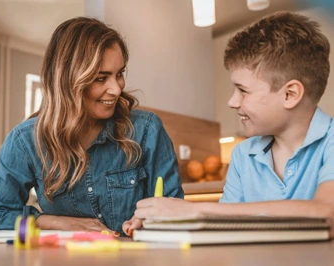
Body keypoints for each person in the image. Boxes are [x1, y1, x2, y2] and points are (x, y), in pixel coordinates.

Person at [126, 12, 334, 237]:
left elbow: (327, 214)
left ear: (290, 94)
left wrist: (194, 209)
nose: (232, 101)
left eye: (243, 90)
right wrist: (163, 221)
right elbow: (224, 226)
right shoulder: (243, 155)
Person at [0, 17, 184, 235]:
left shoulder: (146, 130)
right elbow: (1, 215)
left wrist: (152, 222)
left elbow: (176, 212)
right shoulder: (25, 141)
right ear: (67, 81)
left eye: (119, 74)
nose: (116, 90)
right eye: (100, 78)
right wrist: (57, 222)